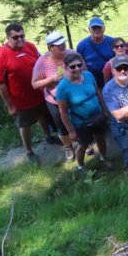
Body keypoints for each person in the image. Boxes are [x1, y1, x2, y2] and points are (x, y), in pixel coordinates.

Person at [0, 23, 61, 164]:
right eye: (15, 37)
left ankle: (48, 136)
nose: (20, 39)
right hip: (21, 100)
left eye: (22, 36)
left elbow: (42, 63)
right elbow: (0, 83)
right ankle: (29, 151)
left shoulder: (30, 46)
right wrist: (10, 105)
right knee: (25, 125)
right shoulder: (0, 57)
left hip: (40, 93)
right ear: (8, 37)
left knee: (43, 116)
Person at [56, 53, 110, 176]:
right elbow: (63, 112)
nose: (77, 69)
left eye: (79, 65)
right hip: (81, 122)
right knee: (83, 145)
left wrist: (105, 110)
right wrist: (71, 131)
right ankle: (80, 166)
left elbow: (97, 93)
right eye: (73, 67)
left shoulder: (89, 75)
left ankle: (103, 157)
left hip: (98, 116)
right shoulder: (63, 88)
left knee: (101, 138)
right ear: (66, 67)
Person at [32, 31, 80, 161]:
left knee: (79, 121)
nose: (63, 46)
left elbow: (84, 71)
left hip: (74, 98)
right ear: (50, 47)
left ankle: (82, 144)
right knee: (62, 126)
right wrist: (50, 80)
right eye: (59, 45)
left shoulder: (72, 54)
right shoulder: (42, 62)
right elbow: (35, 84)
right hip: (55, 101)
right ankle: (68, 146)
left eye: (63, 43)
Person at [76, 16, 114, 88]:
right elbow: (79, 63)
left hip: (111, 78)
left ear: (104, 28)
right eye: (94, 28)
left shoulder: (112, 42)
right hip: (92, 80)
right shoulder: (82, 45)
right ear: (89, 29)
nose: (97, 30)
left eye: (99, 27)